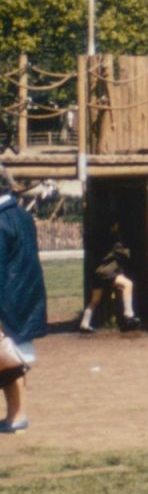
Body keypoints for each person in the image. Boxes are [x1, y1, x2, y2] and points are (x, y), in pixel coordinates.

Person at [0, 165, 46, 434]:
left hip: (8, 299)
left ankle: (17, 416)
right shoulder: (20, 215)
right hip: (26, 294)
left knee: (9, 359)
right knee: (12, 357)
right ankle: (15, 414)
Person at [80, 229, 137, 332]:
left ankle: (85, 323)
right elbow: (124, 253)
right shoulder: (113, 243)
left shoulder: (95, 243)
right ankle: (129, 315)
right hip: (107, 272)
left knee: (95, 300)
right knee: (128, 284)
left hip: (96, 273)